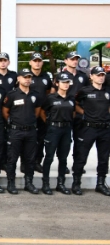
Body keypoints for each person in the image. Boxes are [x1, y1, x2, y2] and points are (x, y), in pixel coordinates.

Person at [72, 66, 110, 196]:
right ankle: (76, 183)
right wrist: (84, 114)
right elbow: (75, 103)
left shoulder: (108, 91)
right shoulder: (85, 91)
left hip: (105, 128)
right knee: (82, 156)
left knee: (104, 158)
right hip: (88, 128)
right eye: (98, 75)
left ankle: (100, 184)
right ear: (91, 76)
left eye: (102, 75)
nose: (100, 77)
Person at [2, 68, 41, 194]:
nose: (27, 79)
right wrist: (15, 123)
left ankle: (28, 183)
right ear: (18, 79)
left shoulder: (35, 95)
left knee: (30, 159)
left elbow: (37, 111)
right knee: (12, 159)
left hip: (30, 131)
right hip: (15, 131)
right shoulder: (12, 95)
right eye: (25, 77)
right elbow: (5, 111)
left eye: (29, 77)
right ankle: (11, 183)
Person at [40, 73, 74, 195]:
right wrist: (49, 124)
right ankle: (46, 184)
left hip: (66, 130)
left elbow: (73, 113)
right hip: (53, 129)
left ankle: (61, 183)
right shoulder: (51, 98)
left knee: (63, 158)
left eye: (67, 82)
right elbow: (42, 112)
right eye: (63, 82)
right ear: (57, 83)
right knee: (49, 157)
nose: (65, 84)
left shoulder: (71, 98)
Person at [28, 52, 53, 173]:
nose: (37, 63)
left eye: (39, 61)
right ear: (30, 63)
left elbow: (48, 92)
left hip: (42, 113)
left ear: (42, 63)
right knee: (27, 139)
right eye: (35, 61)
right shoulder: (26, 76)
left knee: (41, 139)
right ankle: (25, 162)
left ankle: (37, 161)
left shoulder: (46, 77)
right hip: (28, 113)